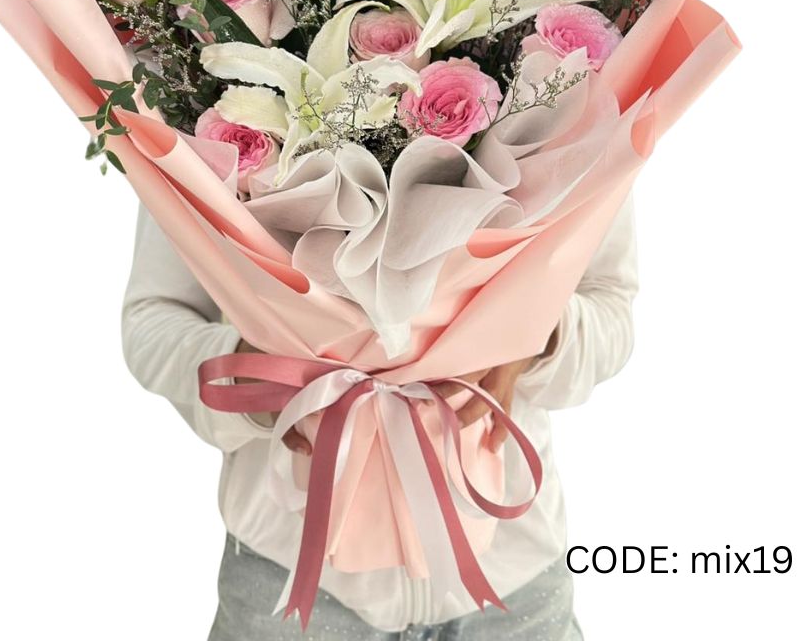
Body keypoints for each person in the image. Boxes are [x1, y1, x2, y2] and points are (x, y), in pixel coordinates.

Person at [121, 191, 638, 640]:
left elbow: (611, 306)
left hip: (514, 589)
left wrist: (536, 338)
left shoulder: (569, 107)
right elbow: (152, 320)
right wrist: (254, 375)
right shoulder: (206, 115)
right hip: (286, 588)